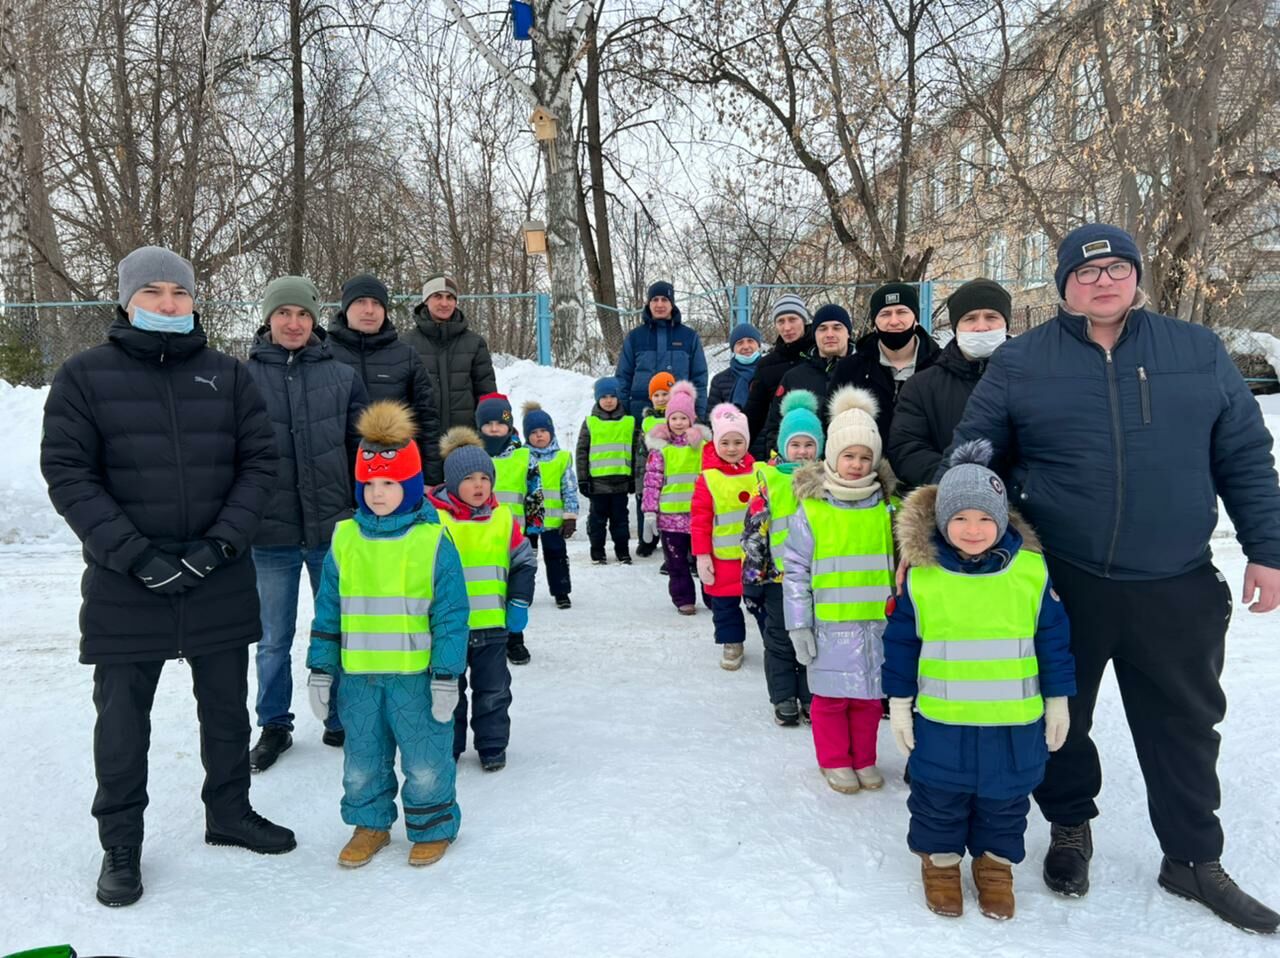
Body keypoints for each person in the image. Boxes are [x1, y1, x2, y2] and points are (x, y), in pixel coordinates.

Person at [942, 223, 1280, 933]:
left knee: (1186, 725)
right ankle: (1070, 827)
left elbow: (1246, 455)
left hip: (1175, 579)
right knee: (1059, 716)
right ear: (1064, 285)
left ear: (1136, 277)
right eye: (1086, 272)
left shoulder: (1196, 351)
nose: (1103, 281)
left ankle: (1192, 858)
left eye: (1117, 268)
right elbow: (974, 453)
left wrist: (1267, 547)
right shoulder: (1022, 361)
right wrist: (958, 536)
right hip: (1065, 579)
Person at [41, 245, 293, 908]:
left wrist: (219, 546)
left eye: (178, 293)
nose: (168, 303)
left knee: (224, 708)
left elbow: (259, 465)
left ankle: (230, 812)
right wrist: (135, 556)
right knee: (123, 720)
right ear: (127, 300)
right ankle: (120, 844)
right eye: (152, 292)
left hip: (216, 572)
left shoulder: (228, 377)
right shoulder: (83, 377)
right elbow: (70, 474)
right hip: (129, 581)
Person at [884, 440, 1075, 920]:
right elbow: (902, 643)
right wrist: (900, 703)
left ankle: (994, 867)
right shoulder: (923, 578)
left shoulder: (1030, 571)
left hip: (1014, 721)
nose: (973, 530)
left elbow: (1053, 639)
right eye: (961, 519)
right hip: (943, 720)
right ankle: (941, 863)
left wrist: (1058, 701)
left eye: (985, 519)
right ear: (942, 521)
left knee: (1005, 801)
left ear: (1003, 521)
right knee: (938, 798)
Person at [304, 401, 469, 868]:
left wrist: (446, 674)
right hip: (358, 678)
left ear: (411, 485)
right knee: (361, 762)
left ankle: (433, 824)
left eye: (390, 483)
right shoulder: (344, 539)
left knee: (425, 760)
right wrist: (320, 669)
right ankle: (370, 824)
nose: (377, 494)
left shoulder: (432, 541)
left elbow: (452, 614)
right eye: (369, 484)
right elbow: (329, 610)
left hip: (414, 678)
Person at [245, 275, 368, 771]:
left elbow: (362, 453)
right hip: (269, 533)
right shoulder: (243, 376)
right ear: (269, 318)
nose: (293, 323)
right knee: (272, 637)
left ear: (315, 318)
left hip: (331, 528)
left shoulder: (342, 376)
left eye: (301, 314)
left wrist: (361, 510)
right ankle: (274, 724)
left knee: (336, 627)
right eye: (283, 314)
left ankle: (340, 716)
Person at [781, 387, 896, 793]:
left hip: (875, 626)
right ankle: (834, 761)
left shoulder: (885, 508)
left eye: (866, 457)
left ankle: (864, 759)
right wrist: (798, 625)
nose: (857, 464)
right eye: (849, 455)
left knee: (868, 699)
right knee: (831, 700)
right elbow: (795, 570)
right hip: (829, 626)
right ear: (832, 457)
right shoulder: (812, 509)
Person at [427, 427, 537, 773]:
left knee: (493, 691)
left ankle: (491, 744)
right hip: (448, 630)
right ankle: (450, 745)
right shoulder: (435, 521)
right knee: (449, 693)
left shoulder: (503, 518)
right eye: (469, 479)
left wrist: (518, 602)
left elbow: (524, 562)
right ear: (451, 482)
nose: (479, 485)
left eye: (484, 478)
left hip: (492, 626)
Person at [741, 389, 823, 725]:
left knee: (814, 638)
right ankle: (783, 696)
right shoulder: (770, 480)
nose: (802, 452)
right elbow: (754, 531)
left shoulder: (829, 480)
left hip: (819, 577)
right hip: (778, 578)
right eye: (795, 445)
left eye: (809, 445)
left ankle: (809, 693)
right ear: (783, 445)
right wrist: (753, 577)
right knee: (780, 640)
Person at [888, 279, 1009, 491]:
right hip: (951, 506)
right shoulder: (921, 386)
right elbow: (906, 448)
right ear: (956, 327)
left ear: (1006, 322)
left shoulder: (1033, 379)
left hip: (1023, 509)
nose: (981, 327)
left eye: (991, 317)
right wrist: (957, 481)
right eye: (970, 318)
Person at [326, 272, 442, 483]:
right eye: (360, 301)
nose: (369, 310)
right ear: (345, 306)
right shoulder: (321, 352)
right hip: (336, 478)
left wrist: (431, 480)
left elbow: (427, 420)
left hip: (393, 478)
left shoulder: (406, 356)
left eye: (377, 303)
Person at [691, 403, 767, 670]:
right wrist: (702, 556)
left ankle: (774, 643)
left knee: (762, 603)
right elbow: (700, 521)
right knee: (725, 605)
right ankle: (732, 642)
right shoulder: (709, 478)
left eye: (738, 441)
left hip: (756, 558)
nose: (732, 448)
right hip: (723, 557)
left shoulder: (760, 472)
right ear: (716, 443)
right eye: (725, 442)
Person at [474, 393, 542, 665]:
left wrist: (535, 526)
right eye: (487, 423)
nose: (493, 428)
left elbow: (534, 493)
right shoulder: (472, 457)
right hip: (479, 538)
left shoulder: (525, 457)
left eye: (499, 423)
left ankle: (515, 638)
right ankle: (485, 637)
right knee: (487, 589)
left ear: (509, 424)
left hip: (516, 538)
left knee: (516, 590)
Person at [830, 282, 941, 441]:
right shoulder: (849, 369)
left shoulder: (940, 366)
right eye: (885, 314)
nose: (894, 321)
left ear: (916, 318)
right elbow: (832, 426)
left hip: (925, 463)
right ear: (874, 322)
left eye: (902, 312)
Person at [641, 381, 712, 615]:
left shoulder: (702, 447)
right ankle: (683, 598)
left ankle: (713, 597)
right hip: (670, 518)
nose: (679, 423)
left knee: (706, 558)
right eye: (674, 418)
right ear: (667, 420)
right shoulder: (661, 449)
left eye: (684, 418)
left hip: (699, 516)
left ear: (691, 420)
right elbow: (652, 481)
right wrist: (650, 511)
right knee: (676, 562)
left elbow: (712, 479)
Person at [404, 273, 497, 433]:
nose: (444, 303)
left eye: (450, 297)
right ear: (426, 300)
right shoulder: (406, 343)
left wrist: (496, 425)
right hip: (421, 437)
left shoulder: (474, 343)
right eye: (437, 296)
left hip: (465, 436)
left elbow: (486, 393)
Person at [757, 304, 853, 458]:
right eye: (822, 328)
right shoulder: (794, 377)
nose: (829, 334)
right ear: (814, 334)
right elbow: (774, 428)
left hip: (852, 471)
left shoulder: (865, 372)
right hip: (802, 471)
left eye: (837, 327)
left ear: (848, 332)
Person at [615, 281, 709, 420]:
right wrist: (622, 412)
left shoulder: (689, 337)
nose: (659, 304)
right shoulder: (635, 337)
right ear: (649, 303)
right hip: (641, 413)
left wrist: (699, 414)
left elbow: (699, 379)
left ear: (672, 303)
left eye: (664, 299)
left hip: (680, 416)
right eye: (655, 300)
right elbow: (623, 377)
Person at [521, 401, 578, 610]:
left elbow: (569, 488)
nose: (539, 436)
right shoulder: (522, 458)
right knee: (526, 560)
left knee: (557, 558)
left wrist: (570, 516)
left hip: (554, 523)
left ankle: (561, 592)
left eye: (544, 431)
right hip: (529, 523)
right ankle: (523, 593)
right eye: (534, 432)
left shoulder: (562, 458)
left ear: (551, 432)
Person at [576, 377, 635, 565]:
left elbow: (635, 451)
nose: (608, 400)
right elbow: (582, 452)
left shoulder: (628, 422)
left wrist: (634, 478)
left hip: (621, 483)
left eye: (612, 396)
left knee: (620, 521)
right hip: (597, 484)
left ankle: (623, 551)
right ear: (597, 399)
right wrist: (583, 479)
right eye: (604, 397)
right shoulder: (590, 423)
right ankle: (597, 551)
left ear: (618, 398)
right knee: (597, 522)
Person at [747, 295, 814, 458]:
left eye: (792, 319)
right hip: (780, 450)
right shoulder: (767, 365)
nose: (787, 327)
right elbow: (753, 414)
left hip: (816, 447)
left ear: (804, 320)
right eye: (781, 321)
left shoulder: (819, 355)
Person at [636, 372, 674, 558]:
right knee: (648, 504)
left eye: (665, 394)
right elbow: (641, 453)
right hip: (651, 472)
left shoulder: (679, 419)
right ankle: (648, 541)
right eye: (656, 395)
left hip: (674, 473)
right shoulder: (646, 423)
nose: (660, 399)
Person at [708, 322, 764, 411]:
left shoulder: (769, 373)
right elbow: (712, 415)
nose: (746, 346)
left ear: (758, 345)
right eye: (740, 343)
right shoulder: (719, 380)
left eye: (750, 341)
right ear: (733, 349)